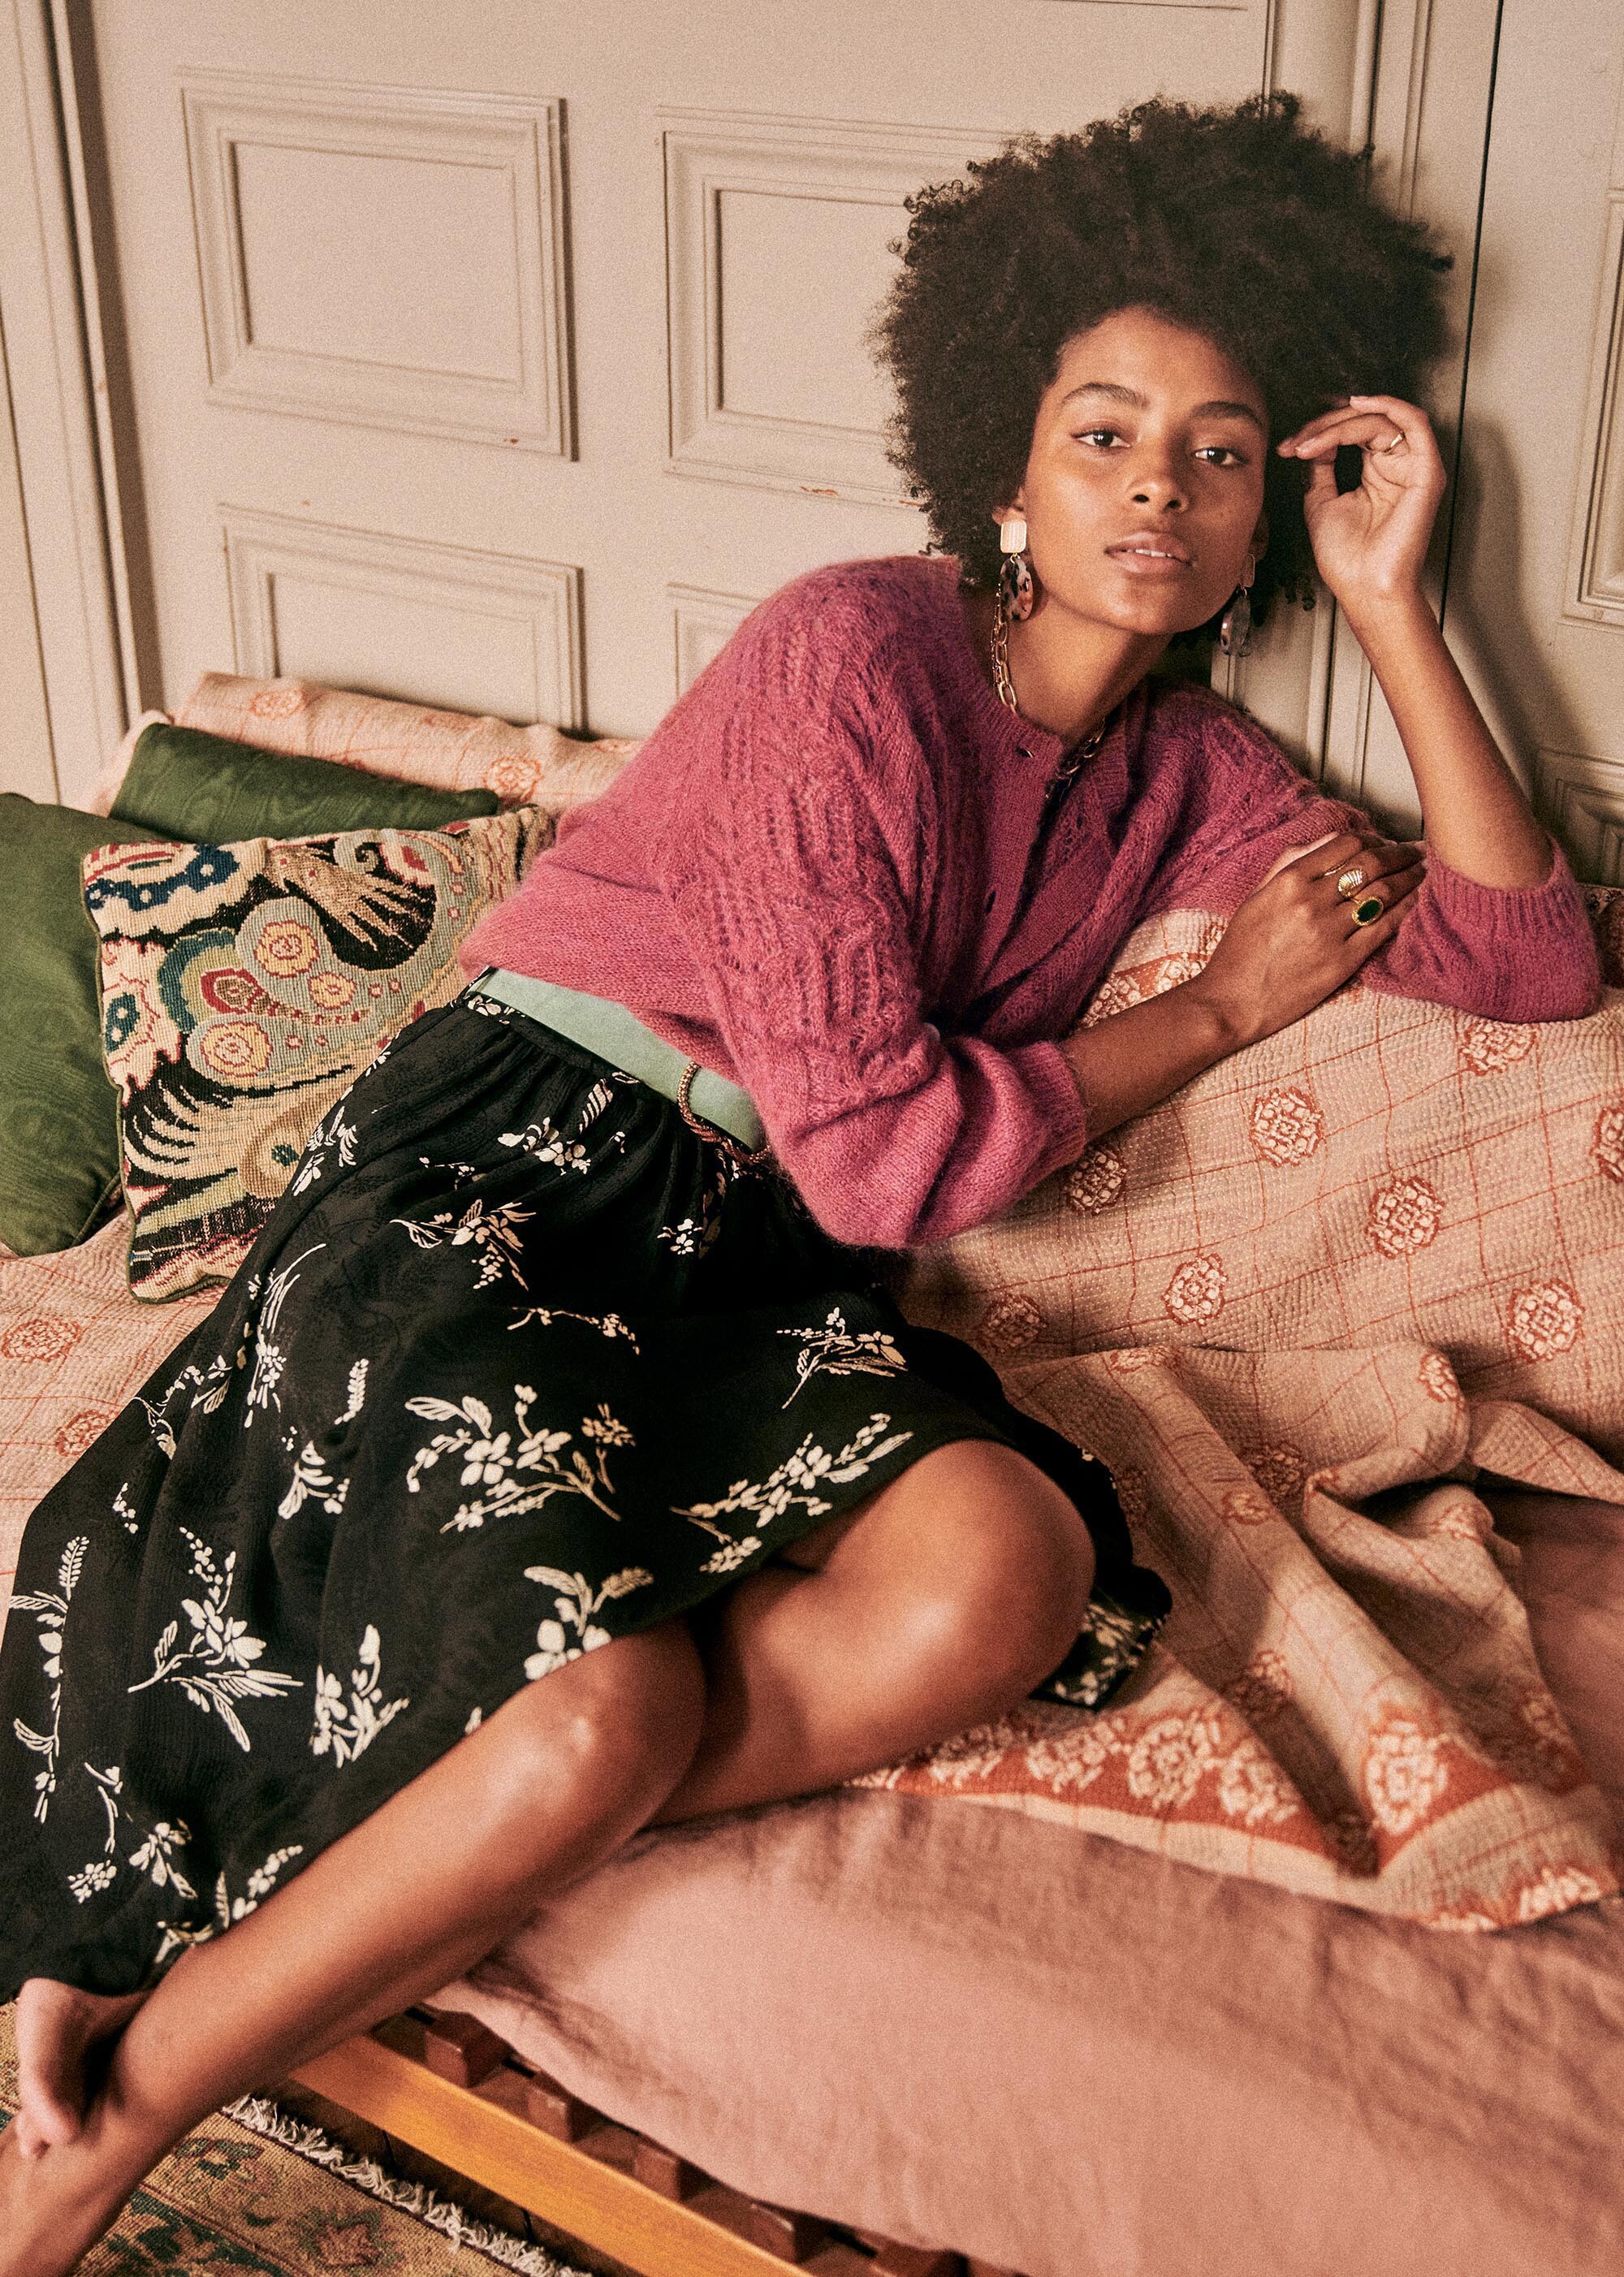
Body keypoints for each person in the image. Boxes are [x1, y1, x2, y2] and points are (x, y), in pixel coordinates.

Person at [0, 90, 1600, 2271]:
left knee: (1000, 1571)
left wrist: (1394, 601)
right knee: (608, 1707)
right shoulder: (854, 651)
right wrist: (1215, 1013)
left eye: (1220, 453)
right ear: (1006, 472)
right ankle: (111, 2120)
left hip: (743, 1262)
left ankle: (418, 1841)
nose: (1158, 486)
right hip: (516, 1171)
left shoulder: (1194, 775)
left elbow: (1524, 960)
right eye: (1107, 434)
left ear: (1258, 522)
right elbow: (877, 1155)